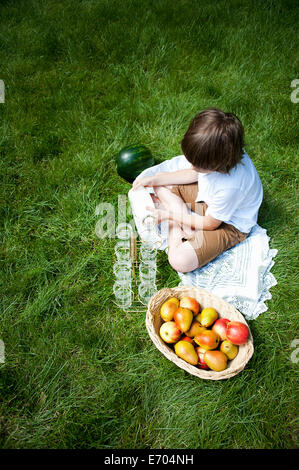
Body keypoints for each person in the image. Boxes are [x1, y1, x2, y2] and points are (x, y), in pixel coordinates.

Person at [132, 108, 263, 273]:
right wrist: (154, 179)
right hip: (211, 202)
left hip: (230, 224)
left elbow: (211, 224)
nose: (192, 166)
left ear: (218, 165)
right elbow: (194, 173)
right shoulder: (222, 157)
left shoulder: (231, 186)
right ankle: (187, 227)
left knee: (179, 261)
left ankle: (176, 228)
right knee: (161, 180)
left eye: (198, 165)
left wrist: (169, 216)